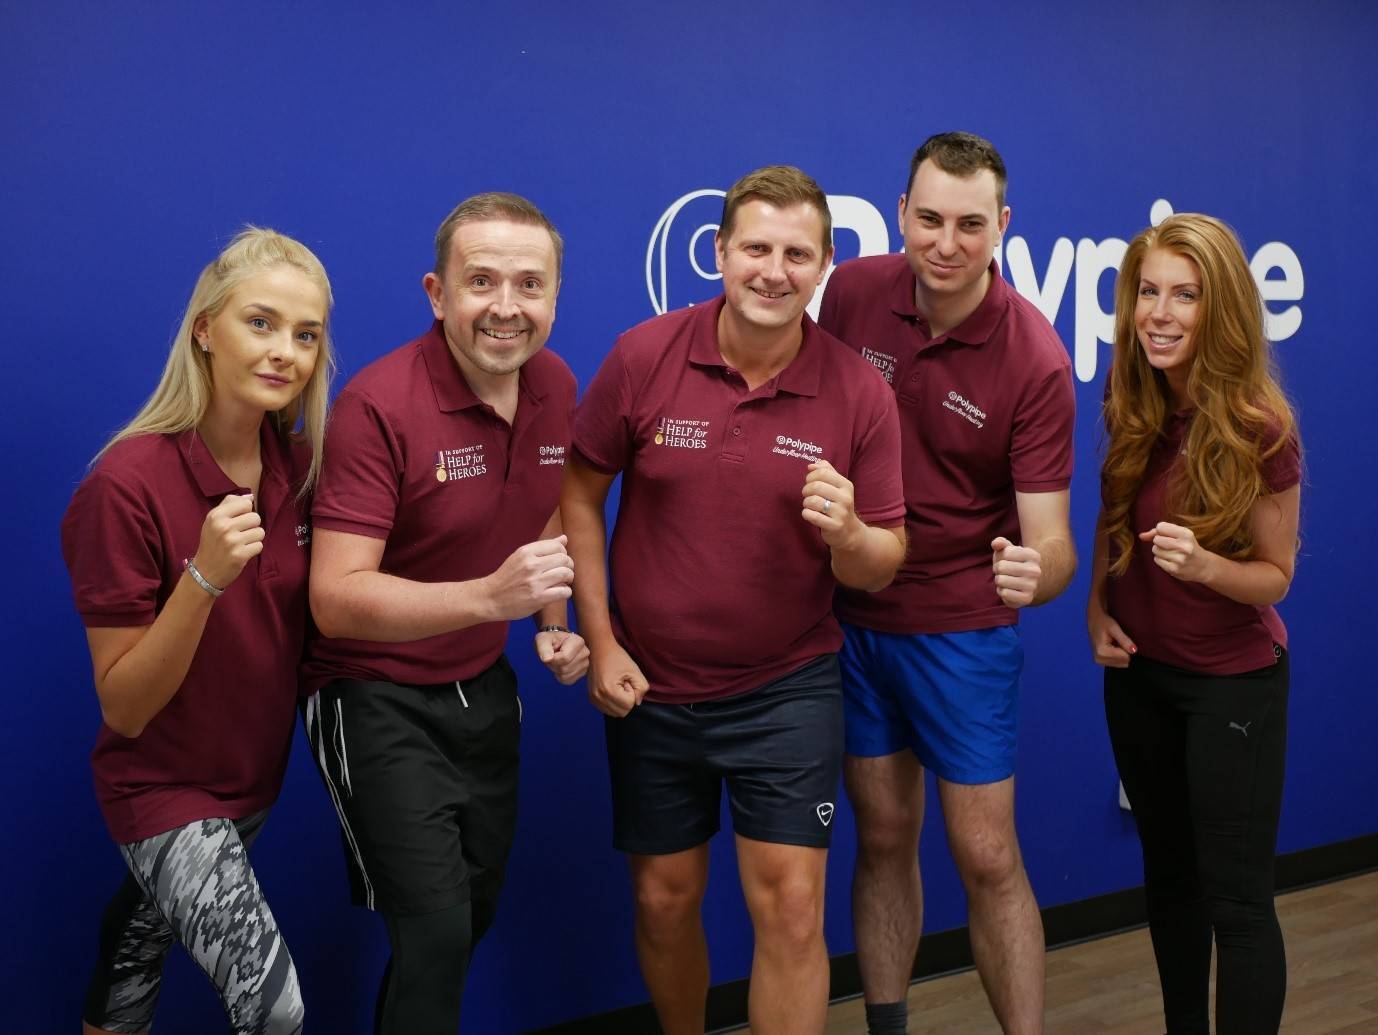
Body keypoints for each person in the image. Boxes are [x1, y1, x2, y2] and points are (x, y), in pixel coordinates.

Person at [562, 165, 907, 1035]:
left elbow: (882, 563)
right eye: (755, 247)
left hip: (787, 688)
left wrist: (850, 534)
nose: (773, 269)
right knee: (663, 899)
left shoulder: (859, 391)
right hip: (653, 689)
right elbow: (576, 490)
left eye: (797, 253)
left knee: (793, 907)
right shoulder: (645, 355)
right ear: (719, 253)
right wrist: (599, 640)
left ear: (826, 263)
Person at [301, 192, 588, 1034]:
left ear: (555, 295)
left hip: (481, 686)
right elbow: (335, 597)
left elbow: (540, 509)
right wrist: (488, 598)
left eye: (530, 284)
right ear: (438, 293)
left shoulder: (556, 383)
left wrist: (549, 619)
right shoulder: (379, 404)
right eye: (482, 281)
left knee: (469, 917)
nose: (507, 306)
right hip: (371, 694)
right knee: (433, 931)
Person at [817, 131, 1077, 1035]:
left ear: (1002, 225)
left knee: (985, 851)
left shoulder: (1035, 358)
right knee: (882, 834)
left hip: (960, 629)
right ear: (901, 214)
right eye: (928, 218)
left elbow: (1055, 546)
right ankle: (889, 1025)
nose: (945, 242)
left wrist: (1031, 573)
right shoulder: (851, 292)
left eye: (970, 224)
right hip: (850, 618)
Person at [61, 228, 335, 1034]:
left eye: (306, 333)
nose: (285, 350)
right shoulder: (124, 485)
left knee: (138, 943)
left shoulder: (301, 468)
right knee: (274, 1008)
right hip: (163, 793)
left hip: (251, 781)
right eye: (261, 322)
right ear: (204, 329)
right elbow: (125, 707)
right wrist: (206, 576)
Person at [1087, 213, 1300, 1034]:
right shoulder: (1131, 395)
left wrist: (1207, 566)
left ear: (1224, 312)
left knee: (1236, 902)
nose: (1161, 313)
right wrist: (1099, 608)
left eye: (1186, 295)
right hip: (1140, 678)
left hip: (1232, 687)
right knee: (1169, 881)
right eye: (1149, 292)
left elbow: (1275, 576)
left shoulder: (1259, 425)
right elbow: (1113, 517)